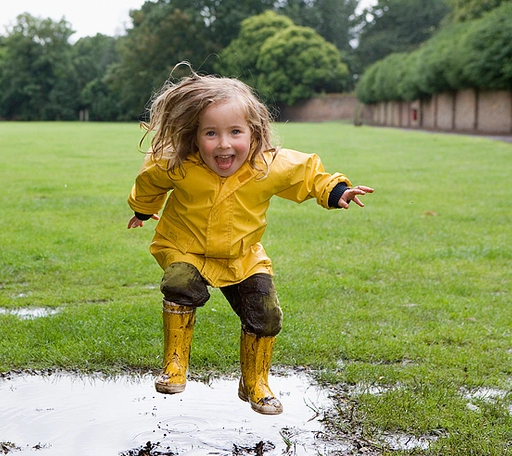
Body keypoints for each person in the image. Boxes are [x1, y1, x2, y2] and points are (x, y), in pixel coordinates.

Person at [126, 70, 373, 415]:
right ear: (195, 136)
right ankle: (175, 364)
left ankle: (255, 381)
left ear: (254, 133)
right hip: (186, 246)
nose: (224, 144)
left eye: (235, 132)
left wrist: (336, 191)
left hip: (242, 256)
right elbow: (150, 181)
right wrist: (142, 209)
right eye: (211, 133)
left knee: (266, 314)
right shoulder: (179, 164)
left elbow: (307, 174)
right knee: (179, 281)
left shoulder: (267, 165)